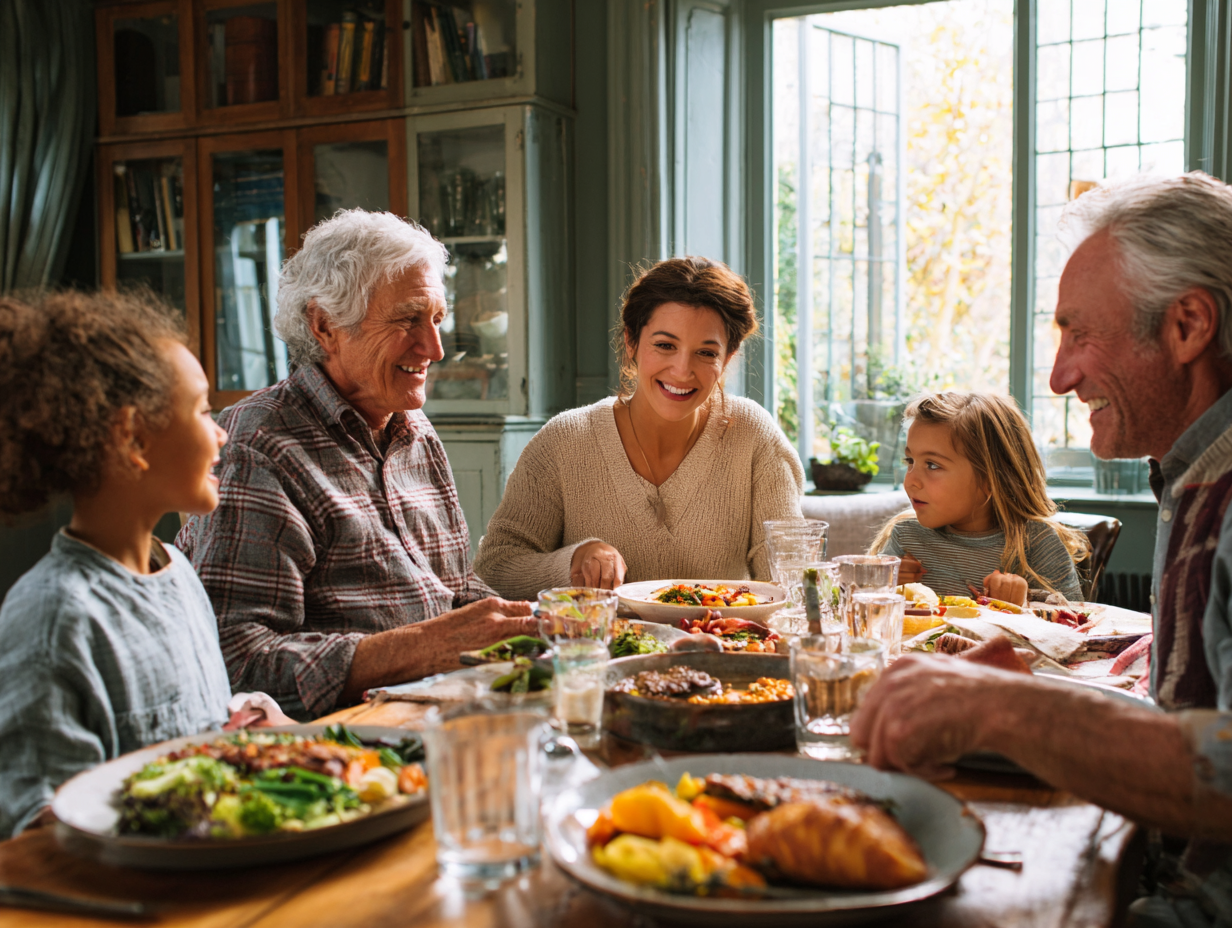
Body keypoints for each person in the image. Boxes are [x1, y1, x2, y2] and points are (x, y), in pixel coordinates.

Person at [850, 172, 1232, 926]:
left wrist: (1000, 710)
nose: (1058, 377)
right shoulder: (1196, 475)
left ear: (1188, 326)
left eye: (1079, 332)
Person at [177, 210, 536, 721]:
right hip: (346, 745)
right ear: (325, 326)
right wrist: (416, 649)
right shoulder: (258, 447)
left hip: (451, 713)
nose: (434, 348)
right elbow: (234, 660)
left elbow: (457, 593)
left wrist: (542, 624)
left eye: (436, 319)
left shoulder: (413, 428)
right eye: (408, 319)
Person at [0, 291, 234, 838]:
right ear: (132, 438)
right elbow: (39, 828)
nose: (221, 431)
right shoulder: (54, 616)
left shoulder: (178, 571)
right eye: (202, 411)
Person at [473, 257, 803, 599]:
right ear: (631, 342)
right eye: (664, 345)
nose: (682, 370)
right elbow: (494, 569)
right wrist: (573, 560)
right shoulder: (565, 440)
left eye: (705, 353)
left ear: (728, 359)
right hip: (602, 651)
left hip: (722, 648)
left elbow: (790, 583)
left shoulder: (754, 436)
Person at [868, 391, 1086, 604]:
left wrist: (1024, 603)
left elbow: (1076, 627)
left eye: (933, 465)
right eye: (910, 461)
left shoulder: (1037, 544)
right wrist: (885, 584)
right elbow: (861, 614)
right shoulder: (905, 539)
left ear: (990, 479)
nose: (910, 481)